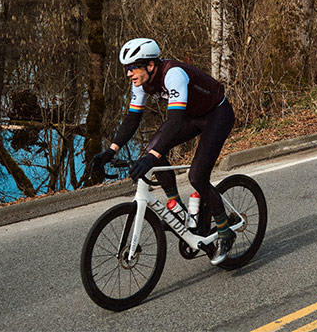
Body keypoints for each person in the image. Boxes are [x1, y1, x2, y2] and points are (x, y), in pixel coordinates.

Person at [89, 38, 237, 263]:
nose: (129, 74)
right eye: (127, 69)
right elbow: (132, 118)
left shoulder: (173, 74)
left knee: (197, 176)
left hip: (217, 115)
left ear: (150, 65)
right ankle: (176, 209)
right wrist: (110, 150)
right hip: (192, 116)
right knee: (152, 149)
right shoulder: (141, 82)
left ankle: (226, 231)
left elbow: (175, 120)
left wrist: (152, 158)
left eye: (132, 68)